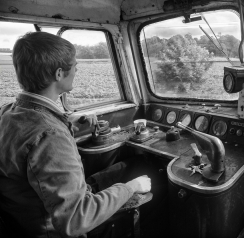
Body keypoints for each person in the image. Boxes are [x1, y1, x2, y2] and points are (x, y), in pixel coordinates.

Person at [0, 32, 151, 238]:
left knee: (131, 165)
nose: (77, 69)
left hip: (23, 217)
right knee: (146, 180)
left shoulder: (9, 112)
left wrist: (65, 121)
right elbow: (76, 220)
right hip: (54, 227)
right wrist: (131, 187)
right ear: (59, 74)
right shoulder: (50, 135)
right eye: (75, 65)